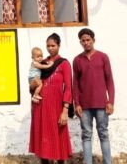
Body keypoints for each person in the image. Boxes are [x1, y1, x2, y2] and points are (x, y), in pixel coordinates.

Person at [72, 28, 115, 164]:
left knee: (103, 134)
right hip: (84, 106)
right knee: (86, 136)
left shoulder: (103, 57)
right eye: (83, 41)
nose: (86, 43)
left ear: (93, 40)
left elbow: (109, 81)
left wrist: (110, 101)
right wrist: (77, 104)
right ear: (80, 42)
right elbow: (75, 84)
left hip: (102, 104)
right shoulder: (77, 60)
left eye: (88, 40)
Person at [28, 33, 73, 164]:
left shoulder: (64, 64)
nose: (50, 48)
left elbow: (68, 88)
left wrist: (65, 110)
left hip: (56, 107)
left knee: (59, 136)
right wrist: (32, 85)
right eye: (48, 46)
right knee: (43, 135)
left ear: (59, 45)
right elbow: (32, 84)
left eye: (53, 45)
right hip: (40, 105)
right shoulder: (41, 62)